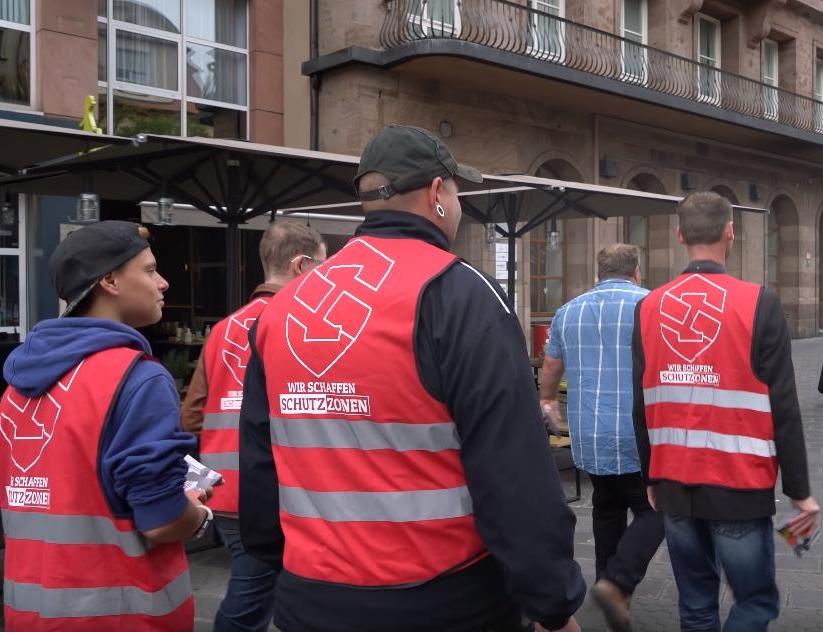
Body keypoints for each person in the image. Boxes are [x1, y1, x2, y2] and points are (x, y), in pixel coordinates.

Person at [239, 125, 585, 632]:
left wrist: (281, 562)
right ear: (436, 193)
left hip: (308, 598)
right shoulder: (460, 293)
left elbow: (261, 458)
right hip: (443, 600)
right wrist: (552, 600)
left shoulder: (283, 308)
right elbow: (513, 471)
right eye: (457, 190)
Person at [0, 221, 207, 629]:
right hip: (123, 615)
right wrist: (196, 513)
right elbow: (161, 520)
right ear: (109, 281)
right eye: (149, 269)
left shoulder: (16, 389)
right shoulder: (138, 377)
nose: (163, 282)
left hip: (29, 613)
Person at [632, 192, 819, 631]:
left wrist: (650, 477)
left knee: (695, 605)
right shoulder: (760, 304)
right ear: (730, 234)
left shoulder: (649, 307)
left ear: (680, 235)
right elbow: (784, 409)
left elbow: (640, 405)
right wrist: (799, 490)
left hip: (675, 482)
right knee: (754, 602)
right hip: (739, 485)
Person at [181, 222, 326, 632]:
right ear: (301, 266)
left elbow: (192, 415)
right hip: (278, 490)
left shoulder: (223, 330)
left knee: (263, 594)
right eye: (323, 267)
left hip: (224, 489)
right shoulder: (300, 326)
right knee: (251, 604)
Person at [538, 244, 662, 632]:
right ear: (636, 271)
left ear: (599, 270)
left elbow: (551, 365)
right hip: (641, 435)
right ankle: (617, 583)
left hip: (591, 435)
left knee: (606, 510)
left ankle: (610, 593)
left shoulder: (568, 311)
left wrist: (545, 399)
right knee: (659, 510)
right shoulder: (653, 307)